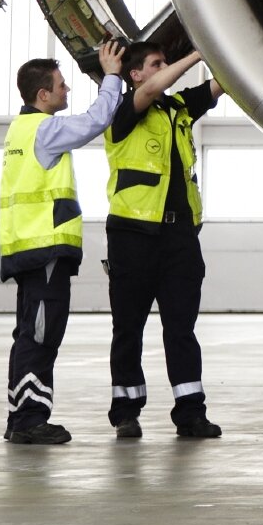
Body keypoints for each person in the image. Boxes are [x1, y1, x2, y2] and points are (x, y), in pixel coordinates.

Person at [0, 37, 126, 445]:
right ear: (42, 94)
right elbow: (96, 120)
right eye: (61, 85)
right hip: (45, 249)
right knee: (41, 335)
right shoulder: (45, 129)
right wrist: (111, 78)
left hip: (25, 247)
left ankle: (20, 415)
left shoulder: (19, 130)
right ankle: (31, 420)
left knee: (28, 333)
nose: (66, 90)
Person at [104, 41, 225, 439]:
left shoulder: (178, 109)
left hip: (179, 236)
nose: (166, 68)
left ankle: (190, 412)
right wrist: (198, 52)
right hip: (133, 235)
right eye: (158, 64)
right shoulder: (124, 111)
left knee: (181, 329)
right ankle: (125, 411)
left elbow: (221, 84)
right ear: (136, 74)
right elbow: (152, 92)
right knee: (128, 329)